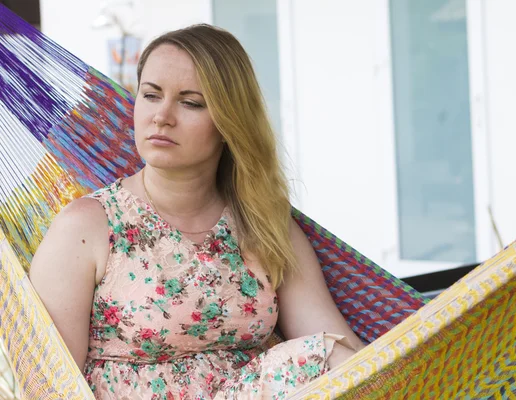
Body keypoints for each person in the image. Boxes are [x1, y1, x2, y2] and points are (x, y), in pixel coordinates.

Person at [29, 24, 364, 399]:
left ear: (228, 121)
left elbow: (347, 357)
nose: (162, 116)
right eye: (151, 95)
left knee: (331, 356)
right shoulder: (87, 227)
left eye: (190, 103)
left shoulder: (262, 224)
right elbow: (48, 387)